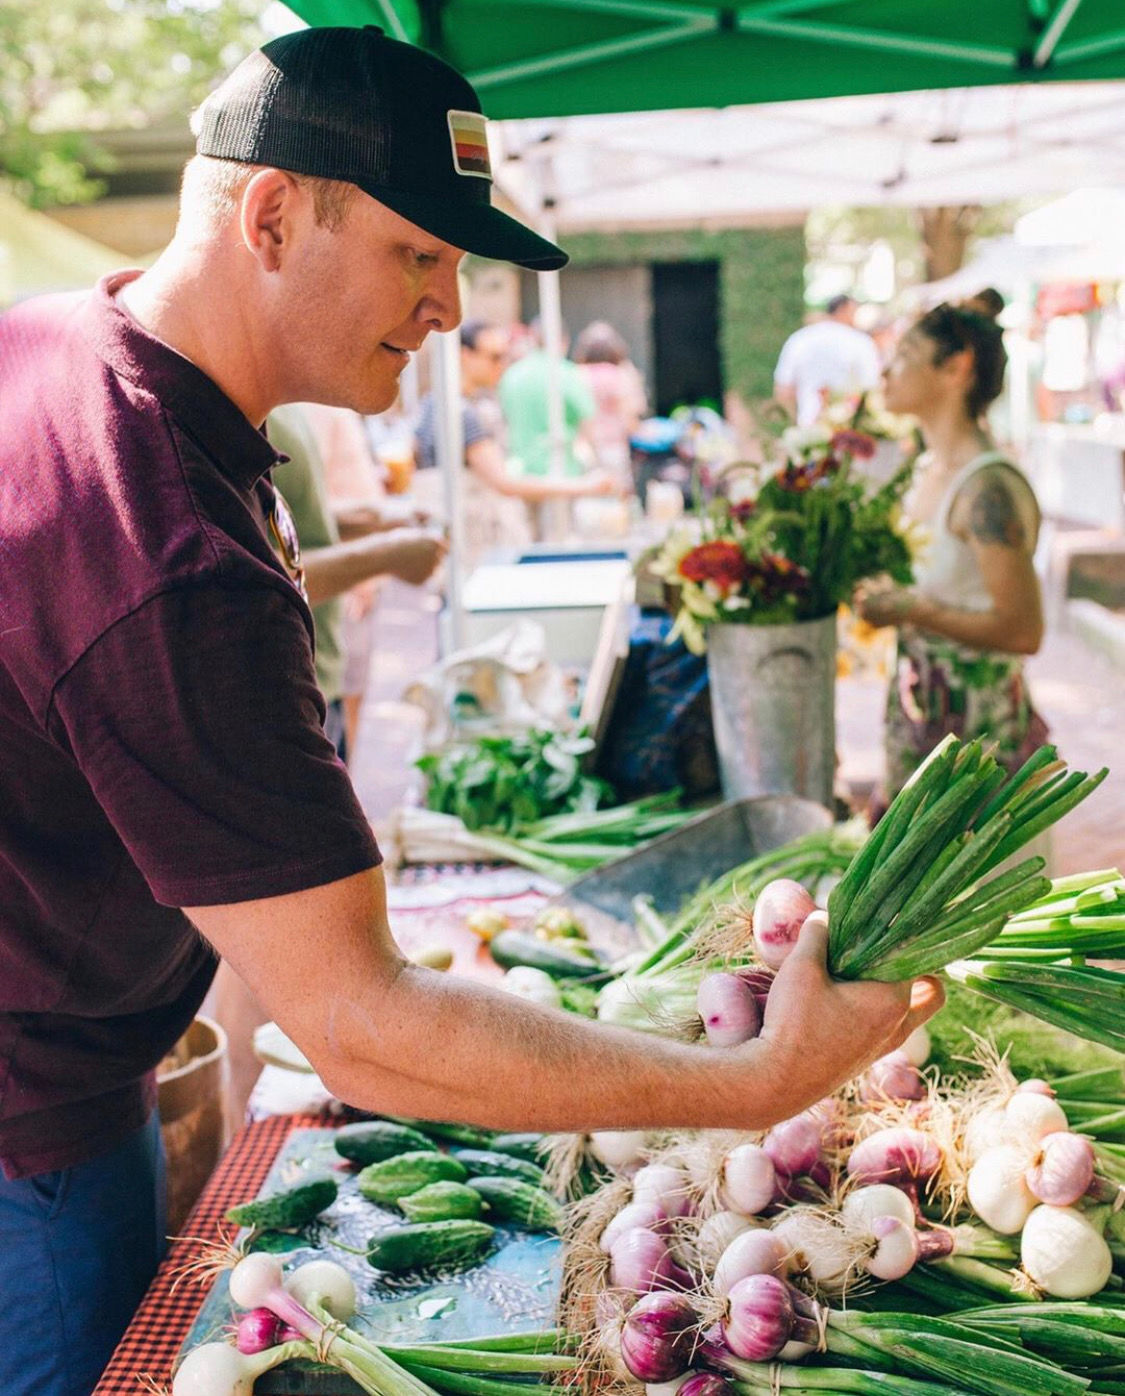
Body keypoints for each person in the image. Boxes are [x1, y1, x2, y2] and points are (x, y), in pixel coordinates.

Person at [0, 27, 940, 1396]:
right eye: (418, 256)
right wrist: (752, 1082)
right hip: (33, 1123)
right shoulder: (169, 548)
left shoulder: (57, 338)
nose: (450, 307)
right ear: (270, 215)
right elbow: (362, 1025)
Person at [855, 298, 1048, 799]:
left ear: (956, 367)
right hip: (921, 725)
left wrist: (912, 609)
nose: (884, 370)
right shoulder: (922, 471)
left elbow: (1024, 630)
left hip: (977, 744)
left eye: (904, 354)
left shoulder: (986, 489)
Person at [414, 318, 618, 567]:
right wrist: (586, 486)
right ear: (464, 355)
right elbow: (504, 482)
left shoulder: (433, 403)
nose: (501, 366)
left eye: (504, 357)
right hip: (472, 545)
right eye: (494, 357)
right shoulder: (462, 413)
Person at [499, 318, 598, 480]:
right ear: (563, 340)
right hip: (560, 470)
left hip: (518, 471)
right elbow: (587, 421)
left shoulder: (512, 374)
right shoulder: (566, 372)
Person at [774, 293, 883, 426]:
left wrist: (792, 426)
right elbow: (871, 386)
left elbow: (783, 389)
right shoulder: (861, 342)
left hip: (807, 427)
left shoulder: (799, 339)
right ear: (844, 310)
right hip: (850, 432)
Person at [572, 319, 648, 477]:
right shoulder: (623, 374)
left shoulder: (576, 374)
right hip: (614, 449)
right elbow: (631, 417)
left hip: (583, 450)